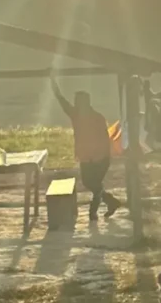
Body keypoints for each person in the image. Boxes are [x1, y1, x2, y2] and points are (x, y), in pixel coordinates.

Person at [51, 80, 122, 221]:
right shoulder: (76, 114)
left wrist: (105, 156)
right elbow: (61, 99)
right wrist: (53, 83)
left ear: (85, 103)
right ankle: (111, 202)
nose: (75, 104)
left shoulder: (96, 117)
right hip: (87, 157)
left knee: (94, 184)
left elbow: (104, 139)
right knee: (91, 183)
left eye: (77, 102)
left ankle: (93, 212)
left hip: (100, 158)